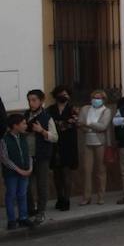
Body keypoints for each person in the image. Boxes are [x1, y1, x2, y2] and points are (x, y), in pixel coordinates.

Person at [22, 89, 56, 223]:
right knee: (27, 185)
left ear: (41, 101)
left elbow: (55, 137)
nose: (31, 103)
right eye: (29, 100)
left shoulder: (47, 117)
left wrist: (42, 131)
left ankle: (41, 211)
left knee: (42, 185)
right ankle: (31, 209)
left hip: (42, 156)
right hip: (27, 156)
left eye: (34, 100)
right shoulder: (25, 115)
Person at [77, 90, 113, 205]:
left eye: (99, 98)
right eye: (94, 97)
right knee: (87, 170)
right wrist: (90, 127)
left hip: (100, 143)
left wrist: (88, 124)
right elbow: (80, 124)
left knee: (101, 170)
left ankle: (101, 196)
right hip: (87, 142)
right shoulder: (85, 109)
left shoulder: (106, 111)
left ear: (103, 100)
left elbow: (103, 126)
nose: (96, 100)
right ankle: (86, 197)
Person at [47, 86, 79, 211]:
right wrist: (61, 124)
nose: (64, 96)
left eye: (66, 94)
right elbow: (49, 124)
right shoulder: (50, 109)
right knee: (56, 173)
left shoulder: (73, 109)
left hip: (68, 144)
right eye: (61, 94)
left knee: (66, 172)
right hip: (54, 144)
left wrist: (58, 124)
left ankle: (67, 199)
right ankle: (59, 197)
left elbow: (71, 122)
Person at [3, 113, 34, 229]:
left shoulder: (23, 138)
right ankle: (11, 220)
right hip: (11, 174)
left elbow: (29, 154)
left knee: (22, 194)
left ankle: (23, 217)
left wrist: (30, 167)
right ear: (15, 125)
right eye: (23, 123)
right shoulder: (4, 140)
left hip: (25, 171)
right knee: (11, 195)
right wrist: (19, 170)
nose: (26, 125)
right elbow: (5, 159)